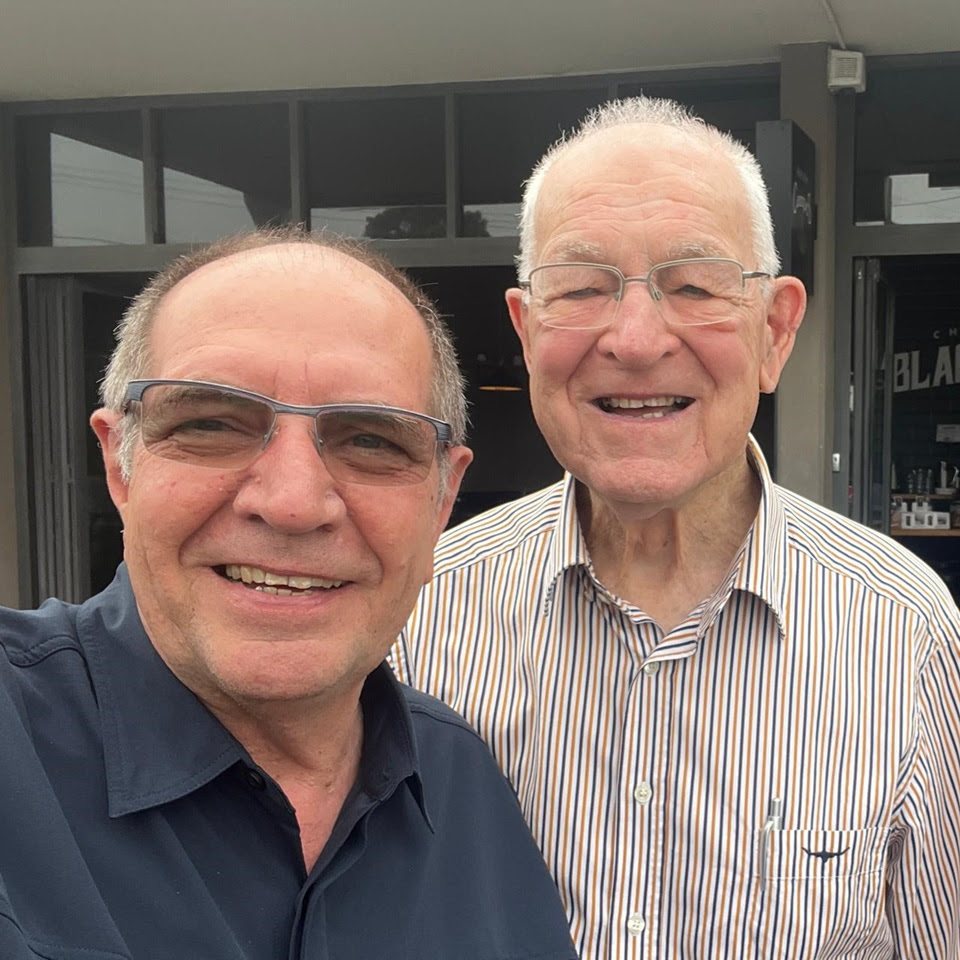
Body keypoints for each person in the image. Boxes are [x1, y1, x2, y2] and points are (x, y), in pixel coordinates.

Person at [395, 97, 960, 958]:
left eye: (694, 286)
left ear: (775, 331)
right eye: (581, 287)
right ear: (526, 328)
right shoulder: (419, 604)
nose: (634, 338)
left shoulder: (905, 627)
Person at [0, 229, 578, 960]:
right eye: (209, 424)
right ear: (121, 466)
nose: (294, 503)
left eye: (371, 439)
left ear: (441, 502)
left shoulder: (468, 789)